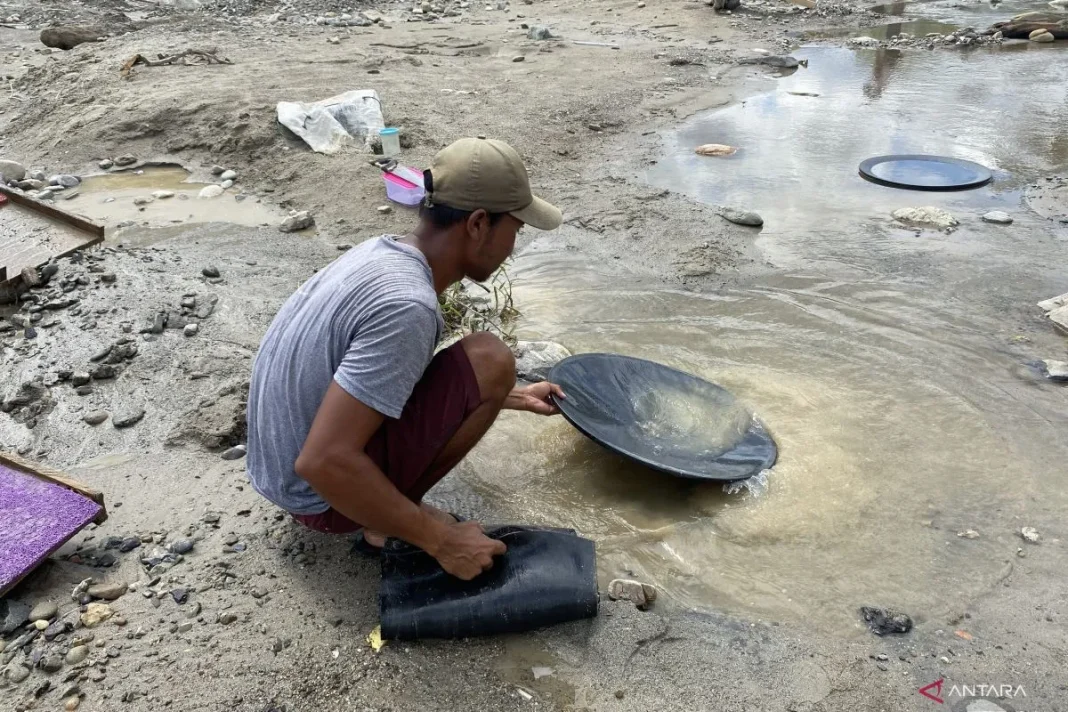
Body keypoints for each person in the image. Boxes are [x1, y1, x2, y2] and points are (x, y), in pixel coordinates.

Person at [245, 137, 565, 581]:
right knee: (490, 357)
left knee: (490, 373)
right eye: (516, 228)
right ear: (477, 224)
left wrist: (510, 396)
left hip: (275, 470)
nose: (514, 245)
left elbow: (371, 376)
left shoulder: (381, 252)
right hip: (317, 496)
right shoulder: (408, 305)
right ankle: (378, 523)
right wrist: (443, 542)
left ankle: (383, 510)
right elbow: (322, 461)